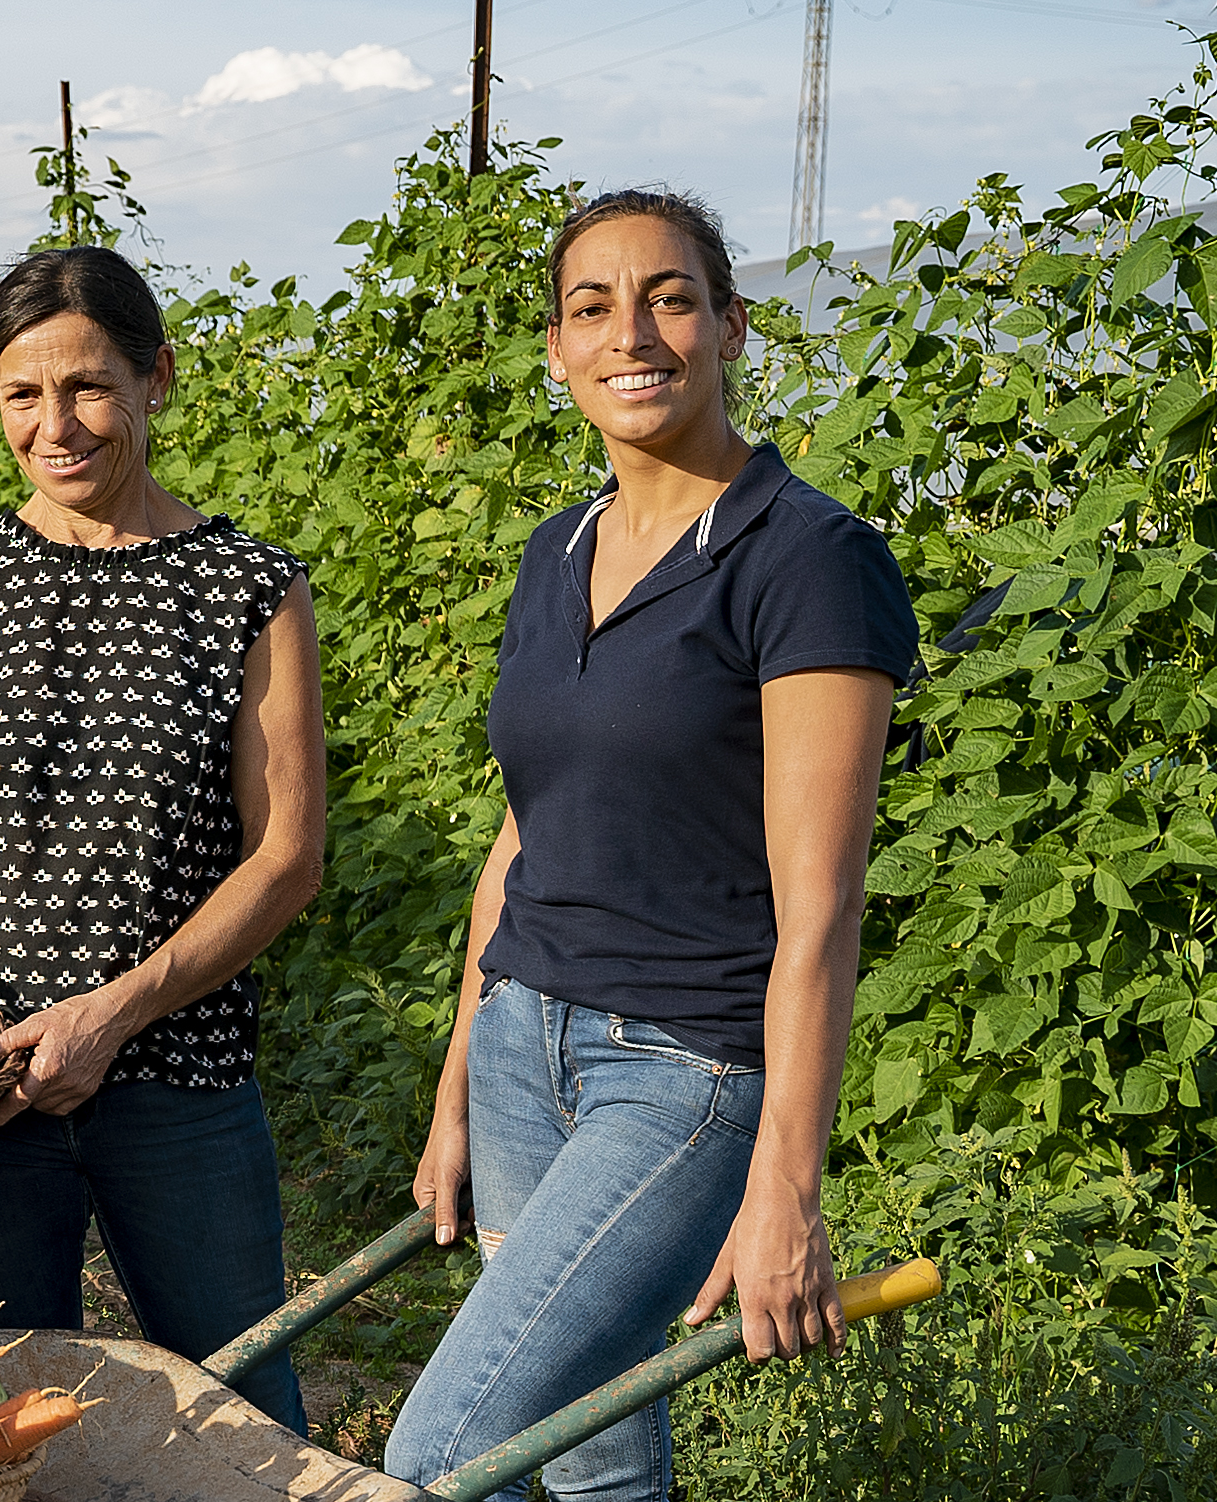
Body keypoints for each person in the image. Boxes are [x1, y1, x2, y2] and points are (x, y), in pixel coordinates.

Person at [379, 189, 915, 1498]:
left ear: (731, 326)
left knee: (447, 1456)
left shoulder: (808, 559)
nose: (634, 332)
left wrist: (788, 1184)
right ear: (558, 350)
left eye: (671, 297)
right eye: (592, 305)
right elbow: (521, 839)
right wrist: (456, 1081)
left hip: (677, 1076)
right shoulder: (555, 552)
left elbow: (822, 908)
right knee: (595, 1465)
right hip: (520, 1051)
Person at [0, 246, 324, 1432]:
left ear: (155, 378)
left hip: (178, 1072)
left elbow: (285, 858)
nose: (55, 423)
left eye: (88, 386)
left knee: (239, 1396)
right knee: (7, 1405)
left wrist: (112, 1012)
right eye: (23, 393)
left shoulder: (246, 587)